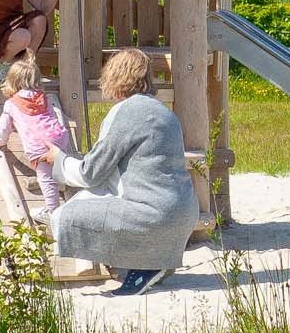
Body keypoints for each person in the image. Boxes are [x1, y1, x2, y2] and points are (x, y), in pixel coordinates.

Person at [43, 49, 198, 297]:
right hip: (184, 213)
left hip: (154, 217)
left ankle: (144, 266)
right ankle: (153, 261)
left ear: (115, 76)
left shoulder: (126, 111)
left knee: (66, 215)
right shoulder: (164, 112)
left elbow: (90, 173)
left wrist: (57, 160)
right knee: (101, 199)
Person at [0, 52, 74, 212]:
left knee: (46, 178)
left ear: (12, 81)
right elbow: (45, 117)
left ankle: (52, 211)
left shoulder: (11, 104)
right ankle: (62, 178)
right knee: (56, 166)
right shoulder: (43, 98)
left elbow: (4, 128)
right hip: (59, 136)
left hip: (40, 144)